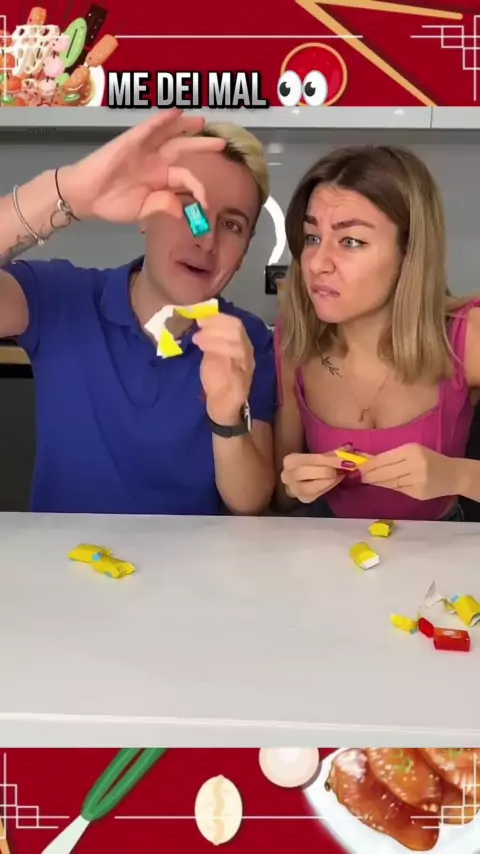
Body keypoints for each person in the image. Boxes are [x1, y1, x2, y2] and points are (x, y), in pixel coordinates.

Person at [0, 109, 276, 516]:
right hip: (64, 554)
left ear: (245, 251)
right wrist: (68, 192)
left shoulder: (248, 340)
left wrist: (227, 417)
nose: (206, 241)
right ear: (145, 214)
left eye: (232, 225)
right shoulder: (60, 296)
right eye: (190, 209)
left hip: (189, 557)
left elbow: (250, 503)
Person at [275, 144, 480, 521]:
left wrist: (459, 476)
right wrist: (293, 485)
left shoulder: (467, 334)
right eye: (312, 237)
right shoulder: (294, 340)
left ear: (409, 253)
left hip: (442, 545)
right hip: (329, 541)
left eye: (351, 241)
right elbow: (281, 499)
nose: (317, 264)